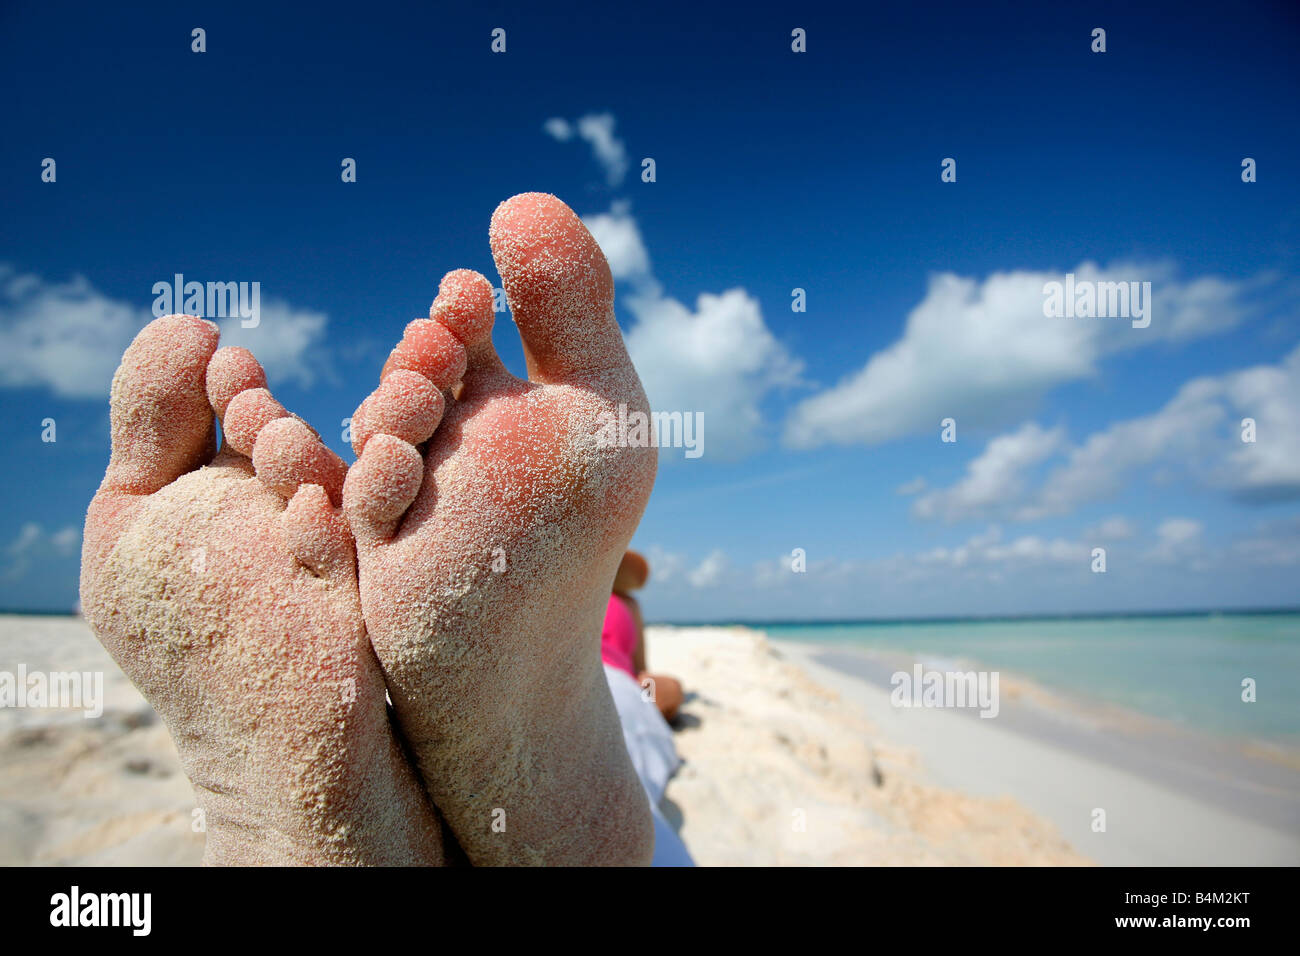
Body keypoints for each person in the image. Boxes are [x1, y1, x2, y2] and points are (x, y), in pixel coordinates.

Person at [80, 194, 667, 865]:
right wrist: (663, 693)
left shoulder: (601, 595)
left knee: (609, 693)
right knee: (632, 708)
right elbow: (646, 678)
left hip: (562, 656)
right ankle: (568, 793)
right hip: (601, 678)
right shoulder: (620, 608)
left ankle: (318, 830)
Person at [600, 550, 695, 866]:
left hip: (609, 676)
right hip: (605, 678)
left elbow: (641, 669)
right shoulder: (557, 584)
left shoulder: (628, 605)